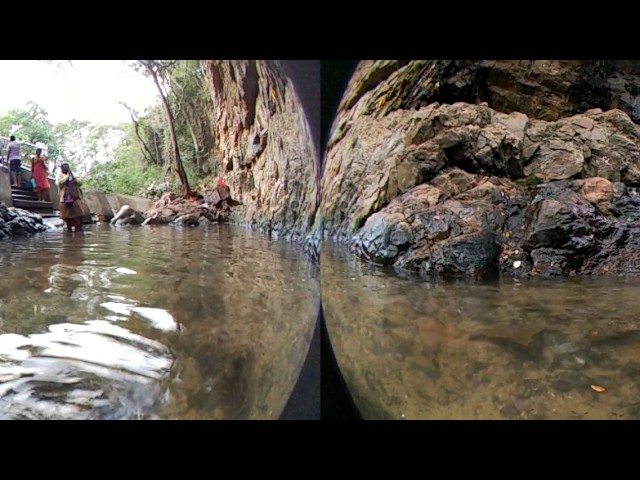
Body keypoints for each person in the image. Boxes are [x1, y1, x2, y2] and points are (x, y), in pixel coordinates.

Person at [57, 163, 83, 232]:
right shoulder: (60, 175)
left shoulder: (74, 175)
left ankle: (78, 238)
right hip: (65, 200)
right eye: (64, 167)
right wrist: (67, 176)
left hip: (75, 199)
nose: (66, 168)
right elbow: (60, 183)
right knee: (67, 219)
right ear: (61, 169)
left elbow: (80, 183)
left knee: (77, 219)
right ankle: (69, 237)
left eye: (67, 167)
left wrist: (73, 177)